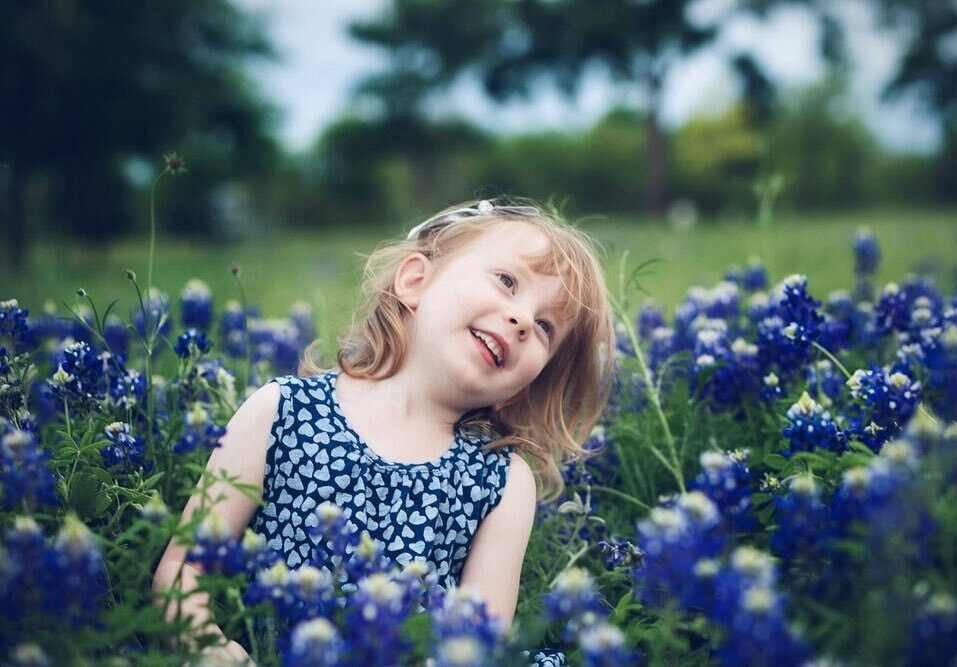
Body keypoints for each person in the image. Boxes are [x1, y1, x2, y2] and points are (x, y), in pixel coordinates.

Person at [152, 198, 615, 663]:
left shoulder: (503, 482)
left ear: (522, 387)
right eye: (507, 281)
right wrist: (204, 646)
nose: (520, 321)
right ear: (415, 281)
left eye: (544, 327)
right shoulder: (279, 410)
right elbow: (184, 564)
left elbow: (479, 643)